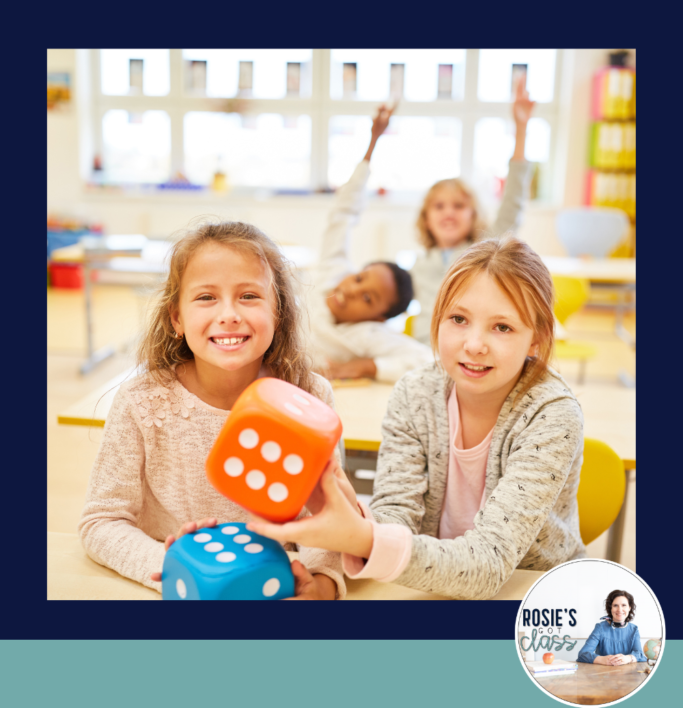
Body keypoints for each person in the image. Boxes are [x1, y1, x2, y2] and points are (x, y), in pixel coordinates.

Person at [246, 235, 586, 599]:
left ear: (536, 338)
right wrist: (356, 522)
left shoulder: (551, 414)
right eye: (458, 319)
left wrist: (363, 537)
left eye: (502, 327)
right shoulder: (414, 393)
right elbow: (397, 515)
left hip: (534, 598)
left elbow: (490, 563)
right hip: (432, 588)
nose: (474, 344)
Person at [79, 220, 345, 599]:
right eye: (206, 297)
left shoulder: (310, 395)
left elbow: (327, 517)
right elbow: (101, 521)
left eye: (249, 296)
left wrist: (322, 582)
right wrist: (170, 566)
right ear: (176, 318)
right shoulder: (142, 399)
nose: (229, 314)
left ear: (279, 312)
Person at [307, 103, 433, 382]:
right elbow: (342, 214)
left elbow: (427, 361)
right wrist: (372, 142)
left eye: (367, 298)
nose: (353, 290)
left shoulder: (366, 336)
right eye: (360, 279)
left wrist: (368, 366)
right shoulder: (332, 271)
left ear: (378, 319)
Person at [410, 75, 536, 345]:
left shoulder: (483, 250)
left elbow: (513, 203)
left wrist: (521, 129)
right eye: (439, 206)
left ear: (473, 214)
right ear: (426, 218)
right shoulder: (420, 264)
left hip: (469, 350)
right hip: (424, 349)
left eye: (458, 206)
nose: (449, 213)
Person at [577, 591, 647, 665]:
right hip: (603, 674)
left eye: (624, 605)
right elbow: (583, 654)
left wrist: (628, 658)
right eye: (615, 605)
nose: (619, 609)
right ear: (611, 608)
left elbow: (640, 655)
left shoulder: (634, 630)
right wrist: (603, 660)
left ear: (629, 608)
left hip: (628, 674)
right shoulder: (600, 628)